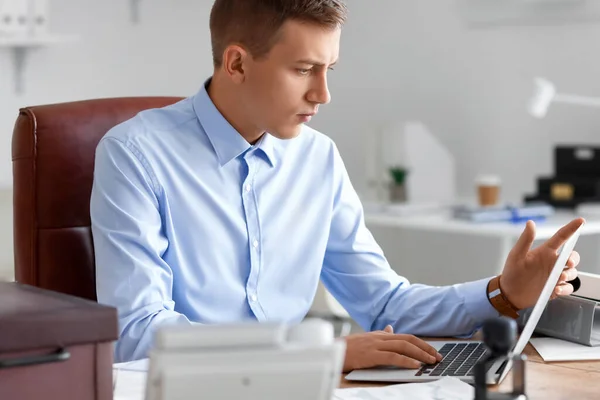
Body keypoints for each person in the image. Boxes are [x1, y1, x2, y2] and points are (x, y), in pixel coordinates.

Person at [91, 0, 584, 371]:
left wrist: (504, 293)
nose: (322, 94)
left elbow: (384, 304)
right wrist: (316, 353)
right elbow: (138, 333)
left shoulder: (316, 157)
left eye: (329, 70)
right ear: (237, 63)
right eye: (303, 69)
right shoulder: (136, 154)